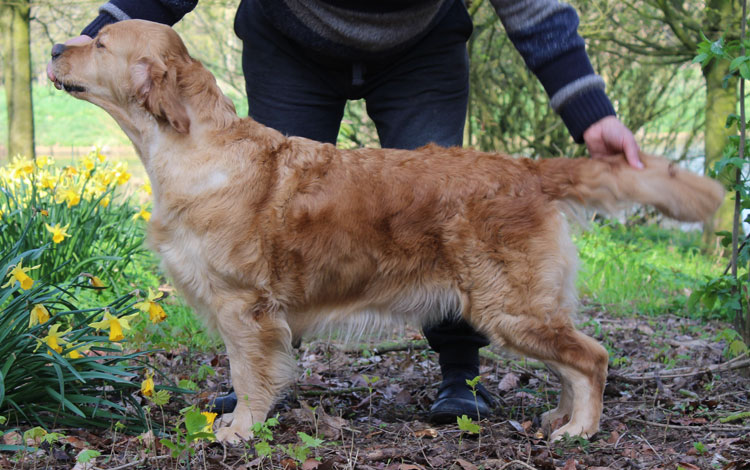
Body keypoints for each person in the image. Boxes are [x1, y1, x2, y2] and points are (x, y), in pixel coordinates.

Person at [48, 0, 642, 424]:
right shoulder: (194, 149)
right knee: (280, 248)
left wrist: (589, 110)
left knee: (452, 225)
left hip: (422, 43)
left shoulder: (162, 89)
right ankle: (262, 385)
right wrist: (105, 27)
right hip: (290, 35)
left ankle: (462, 376)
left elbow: (534, 6)